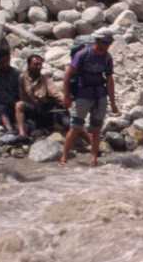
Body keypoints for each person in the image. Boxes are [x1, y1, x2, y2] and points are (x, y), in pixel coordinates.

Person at [60, 28, 118, 166]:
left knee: (96, 129)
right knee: (75, 127)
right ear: (97, 41)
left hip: (100, 95)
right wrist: (66, 96)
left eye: (109, 43)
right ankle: (64, 157)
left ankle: (94, 159)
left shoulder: (107, 57)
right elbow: (68, 76)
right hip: (82, 95)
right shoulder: (82, 54)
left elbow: (109, 80)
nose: (107, 45)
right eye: (105, 42)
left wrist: (113, 102)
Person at [16, 54, 64, 139]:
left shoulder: (45, 79)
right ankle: (22, 133)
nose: (38, 67)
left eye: (40, 64)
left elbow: (55, 93)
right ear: (29, 65)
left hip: (43, 108)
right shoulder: (22, 78)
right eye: (35, 64)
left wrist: (64, 100)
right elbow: (21, 95)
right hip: (31, 107)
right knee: (19, 105)